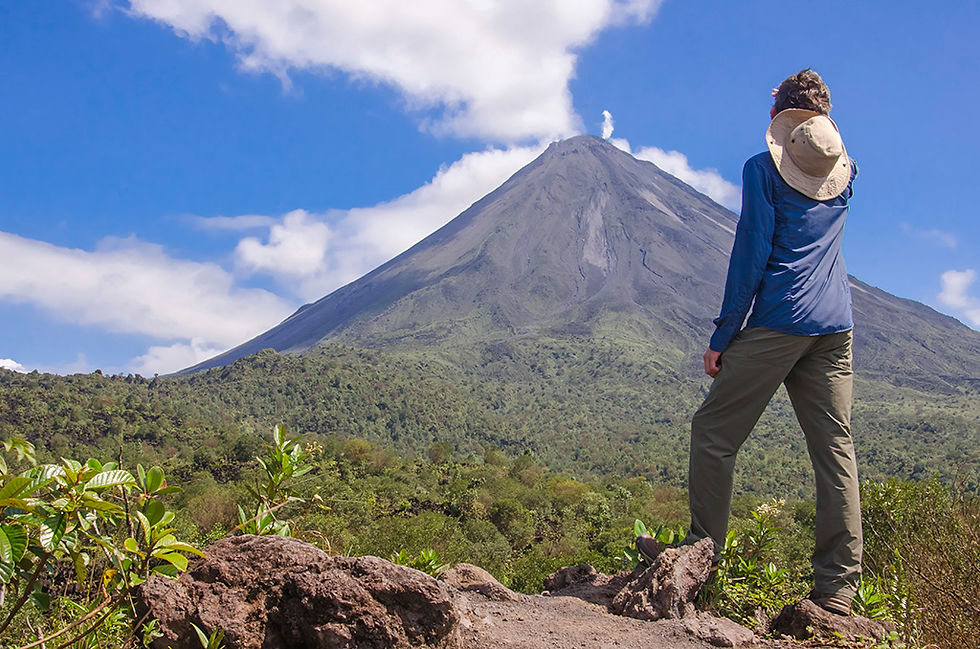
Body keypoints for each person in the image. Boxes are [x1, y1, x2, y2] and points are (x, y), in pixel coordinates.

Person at [638, 69, 862, 615]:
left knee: (714, 432)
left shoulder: (762, 170)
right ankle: (838, 590)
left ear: (779, 118)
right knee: (835, 452)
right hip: (836, 328)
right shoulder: (846, 171)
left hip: (779, 322)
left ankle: (700, 557)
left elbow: (752, 253)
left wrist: (723, 334)